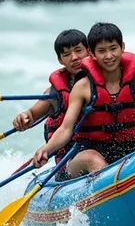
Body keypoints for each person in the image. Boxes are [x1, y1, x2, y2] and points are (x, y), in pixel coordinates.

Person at [32, 22, 135, 177]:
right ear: (92, 54)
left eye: (113, 48)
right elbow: (66, 129)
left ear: (122, 47)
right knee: (94, 161)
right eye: (101, 51)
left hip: (129, 152)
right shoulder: (82, 87)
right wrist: (46, 150)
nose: (109, 56)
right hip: (85, 156)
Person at [12, 29, 89, 161]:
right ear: (60, 60)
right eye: (66, 54)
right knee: (91, 159)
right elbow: (31, 114)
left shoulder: (108, 81)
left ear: (89, 51)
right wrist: (23, 118)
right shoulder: (54, 94)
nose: (74, 57)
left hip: (103, 148)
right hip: (70, 160)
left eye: (79, 50)